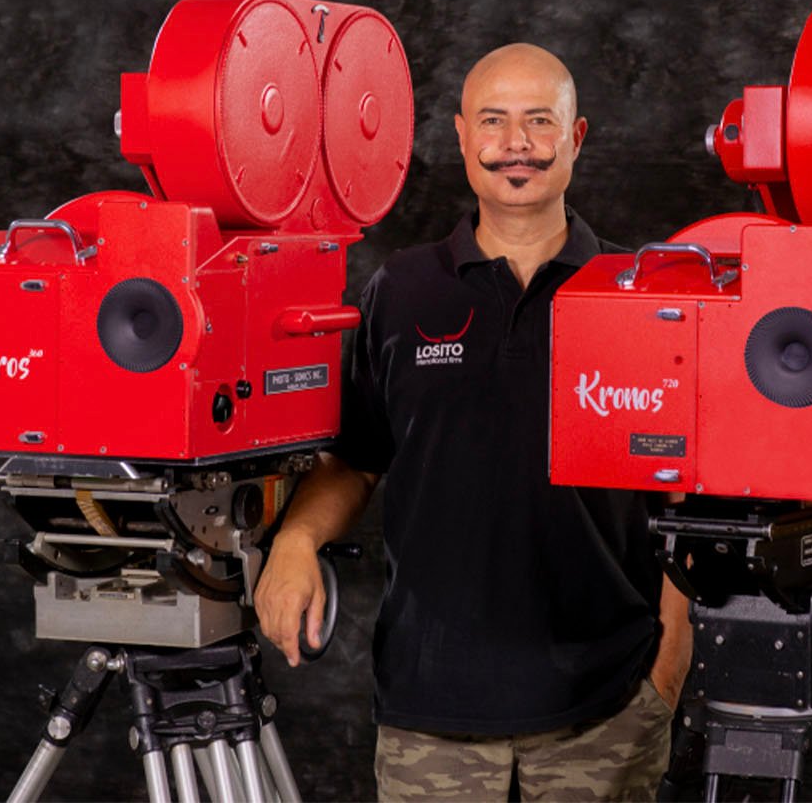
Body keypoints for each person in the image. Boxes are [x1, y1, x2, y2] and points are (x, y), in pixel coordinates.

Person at [253, 43, 691, 802]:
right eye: (494, 122)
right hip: (432, 716)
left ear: (577, 137)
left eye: (538, 122)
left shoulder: (639, 296)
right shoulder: (403, 290)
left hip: (606, 710)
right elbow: (357, 459)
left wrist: (666, 675)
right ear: (460, 137)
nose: (515, 145)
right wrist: (295, 538)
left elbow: (692, 499)